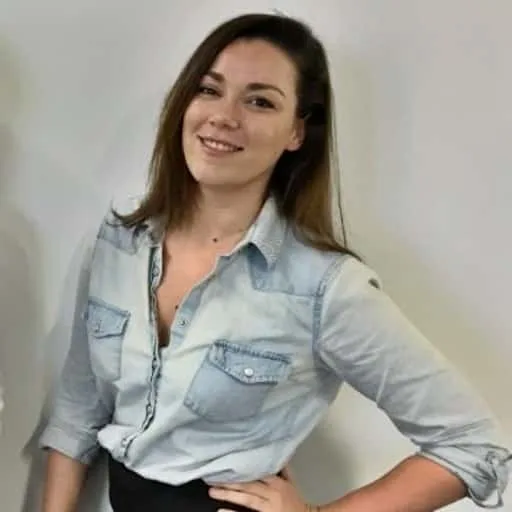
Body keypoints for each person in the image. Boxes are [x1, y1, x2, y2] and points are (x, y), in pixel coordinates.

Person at [40, 12, 510, 512]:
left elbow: (472, 445)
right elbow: (77, 411)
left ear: (296, 132)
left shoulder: (322, 287)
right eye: (209, 89)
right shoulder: (122, 239)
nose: (224, 116)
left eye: (259, 101)